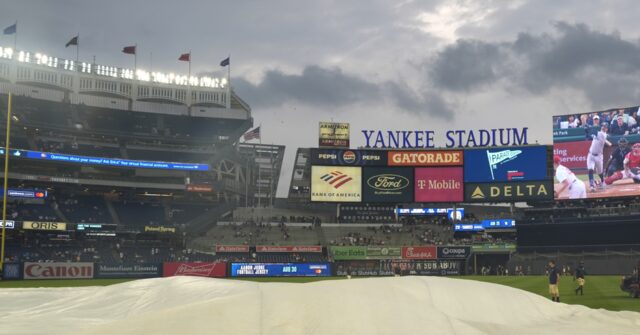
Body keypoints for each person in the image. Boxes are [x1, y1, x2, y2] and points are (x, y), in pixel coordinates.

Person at [585, 117, 612, 192]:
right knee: (590, 169)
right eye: (603, 126)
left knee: (599, 172)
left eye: (605, 127)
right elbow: (588, 137)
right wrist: (587, 132)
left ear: (607, 129)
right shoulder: (598, 133)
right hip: (590, 155)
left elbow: (594, 132)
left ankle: (603, 181)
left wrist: (588, 127)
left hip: (599, 156)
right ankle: (592, 186)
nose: (604, 128)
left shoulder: (603, 135)